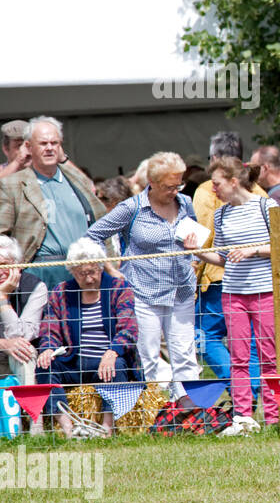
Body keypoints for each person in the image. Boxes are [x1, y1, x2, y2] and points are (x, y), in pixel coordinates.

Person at [85, 151, 201, 396]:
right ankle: (150, 411)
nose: (176, 190)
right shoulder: (132, 208)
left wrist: (194, 264)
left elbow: (194, 239)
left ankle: (188, 410)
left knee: (185, 355)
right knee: (147, 356)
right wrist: (110, 270)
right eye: (170, 186)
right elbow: (92, 235)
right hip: (143, 294)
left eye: (180, 183)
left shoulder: (185, 203)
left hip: (181, 292)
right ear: (153, 184)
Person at [188, 158, 280, 434]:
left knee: (268, 355)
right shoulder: (221, 215)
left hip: (264, 290)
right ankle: (243, 416)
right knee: (238, 357)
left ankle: (274, 417)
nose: (212, 189)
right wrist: (198, 252)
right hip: (232, 292)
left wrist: (253, 250)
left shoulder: (266, 206)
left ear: (233, 181)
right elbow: (225, 259)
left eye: (216, 183)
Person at [35, 238, 138, 437]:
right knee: (44, 366)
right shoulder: (61, 292)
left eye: (93, 272)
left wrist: (113, 351)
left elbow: (129, 328)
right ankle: (68, 429)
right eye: (82, 274)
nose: (89, 279)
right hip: (75, 360)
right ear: (73, 272)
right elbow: (50, 327)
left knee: (116, 367)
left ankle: (107, 429)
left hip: (106, 359)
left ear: (101, 268)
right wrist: (48, 348)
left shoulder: (119, 288)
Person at [192, 131, 264, 387]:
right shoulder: (261, 192)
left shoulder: (204, 190)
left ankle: (238, 384)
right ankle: (252, 388)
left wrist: (194, 266)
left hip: (218, 280)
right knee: (251, 342)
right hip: (257, 281)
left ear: (214, 158)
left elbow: (203, 232)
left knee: (204, 336)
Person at [0, 117, 105, 291]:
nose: (49, 148)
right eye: (43, 143)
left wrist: (111, 266)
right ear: (29, 147)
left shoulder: (77, 181)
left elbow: (96, 205)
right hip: (40, 272)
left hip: (84, 270)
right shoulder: (12, 184)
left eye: (54, 143)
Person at [0, 234, 47, 385]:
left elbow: (23, 335)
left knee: (25, 351)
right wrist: (4, 344)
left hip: (15, 357)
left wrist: (3, 299)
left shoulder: (35, 287)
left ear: (17, 265)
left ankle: (27, 408)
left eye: (4, 265)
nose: (0, 272)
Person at [250, 145, 280, 213]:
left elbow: (278, 223)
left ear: (265, 168)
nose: (251, 172)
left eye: (253, 168)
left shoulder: (279, 196)